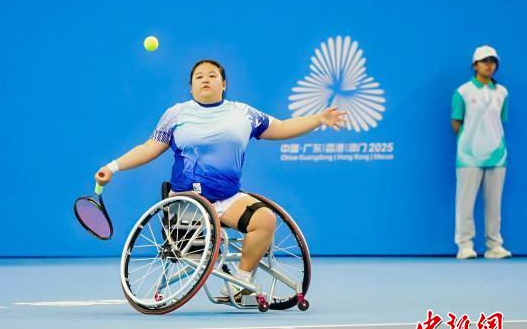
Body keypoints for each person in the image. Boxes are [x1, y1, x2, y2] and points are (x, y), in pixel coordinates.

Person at [95, 59, 347, 300]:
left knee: (265, 220)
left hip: (227, 199)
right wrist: (112, 167)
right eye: (199, 77)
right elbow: (149, 147)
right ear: (191, 86)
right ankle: (212, 251)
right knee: (201, 253)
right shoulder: (176, 113)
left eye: (212, 75)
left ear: (223, 84)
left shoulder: (244, 113)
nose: (206, 79)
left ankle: (241, 281)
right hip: (188, 203)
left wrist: (318, 119)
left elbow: (281, 128)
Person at [451, 45, 511, 259]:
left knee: (494, 204)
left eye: (493, 61)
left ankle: (494, 246)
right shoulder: (463, 91)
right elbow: (456, 122)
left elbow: (500, 121)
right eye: (485, 61)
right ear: (475, 65)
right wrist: (469, 142)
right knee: (465, 203)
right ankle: (465, 245)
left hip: (497, 156)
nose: (489, 65)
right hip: (468, 157)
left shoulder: (502, 92)